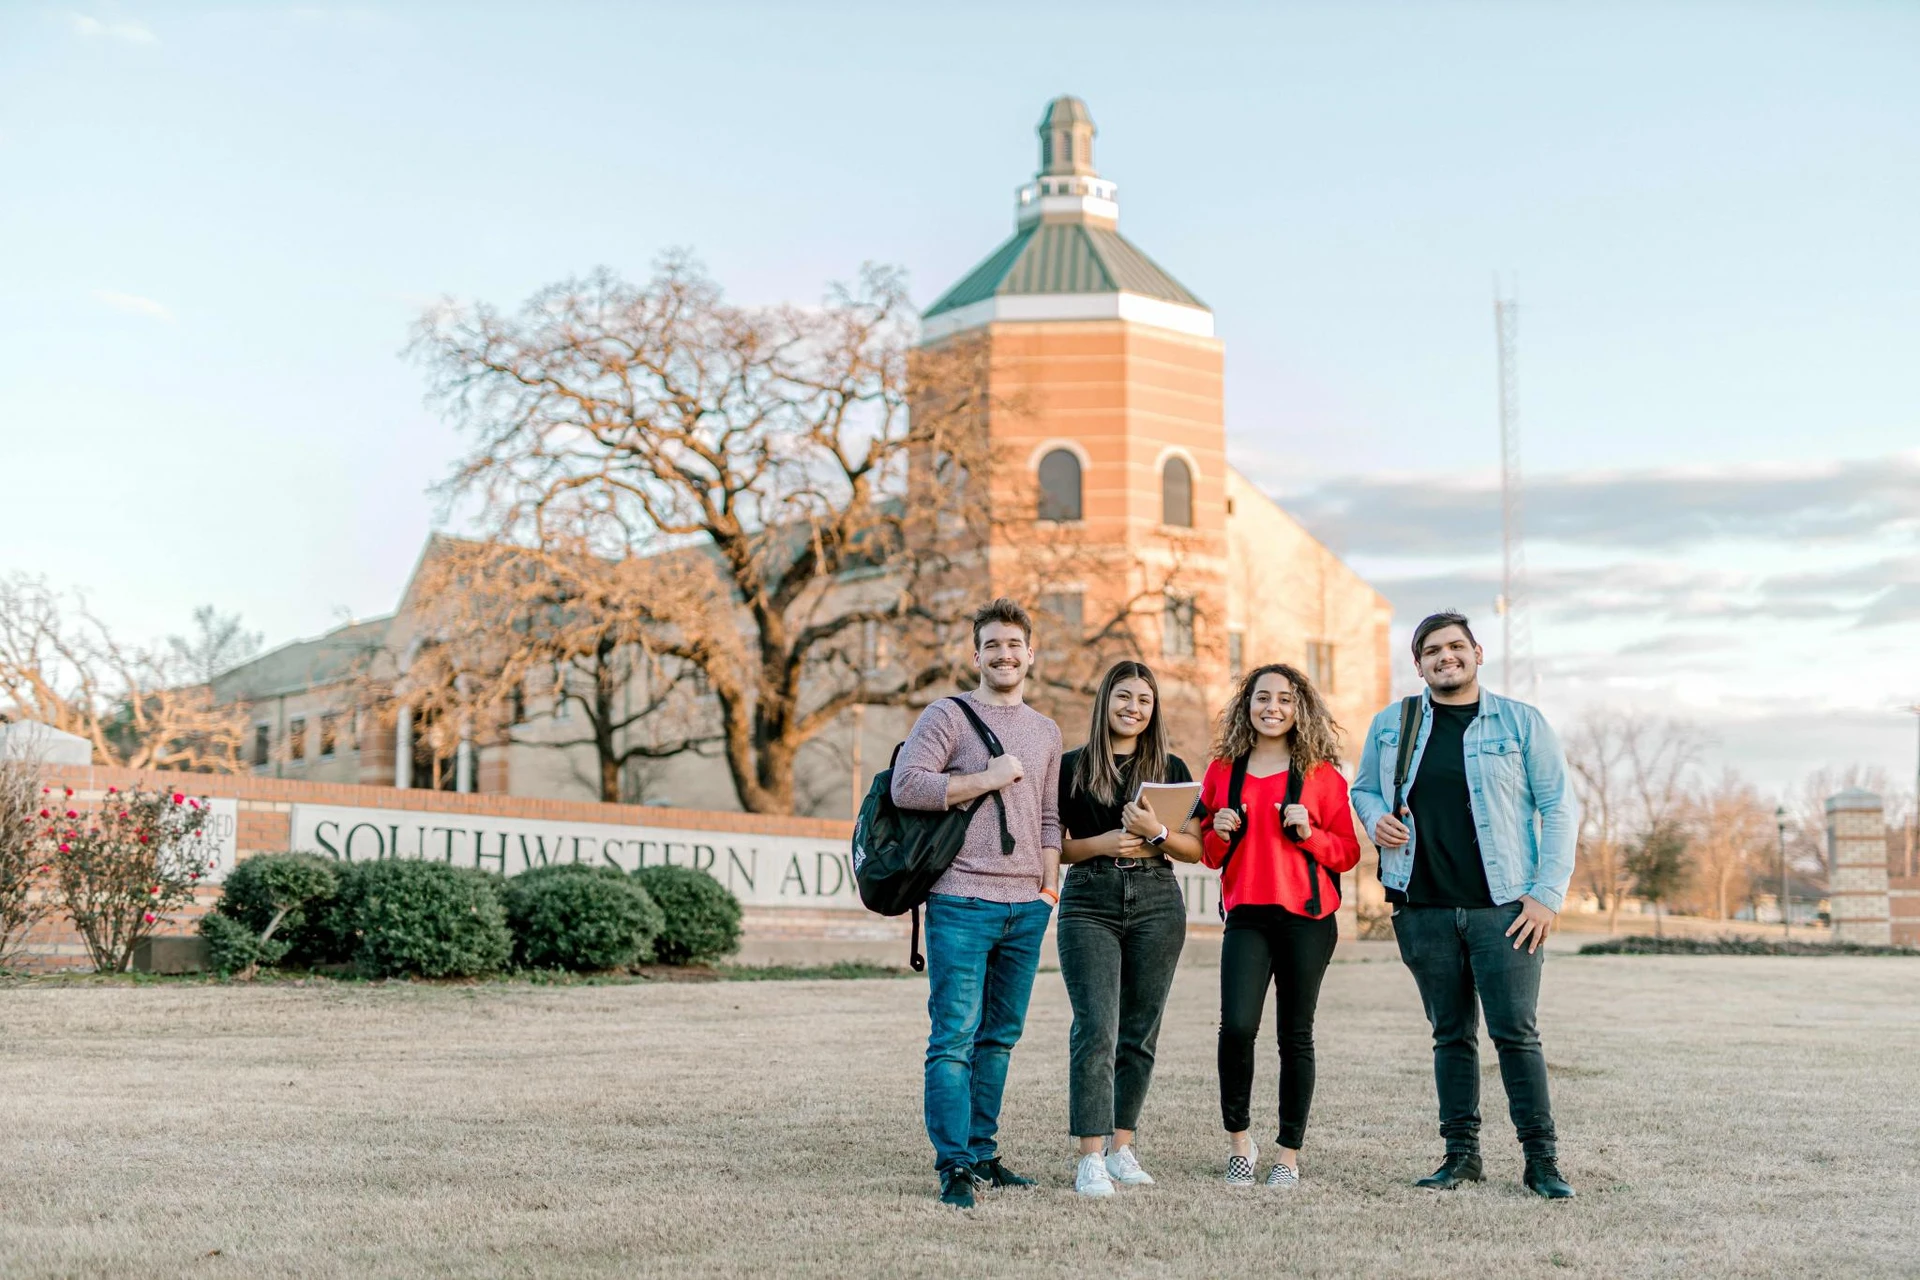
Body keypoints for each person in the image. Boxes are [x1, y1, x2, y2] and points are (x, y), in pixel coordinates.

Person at [1351, 610, 1580, 1199]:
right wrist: (1377, 820)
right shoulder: (1392, 723)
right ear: (1419, 663)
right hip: (1421, 905)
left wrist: (1546, 895)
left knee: (1516, 1035)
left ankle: (1542, 1162)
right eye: (1432, 650)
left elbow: (1558, 807)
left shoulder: (1520, 722)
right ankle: (1461, 1157)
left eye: (1456, 646)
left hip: (1504, 909)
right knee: (1450, 1035)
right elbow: (1365, 787)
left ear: (1478, 653)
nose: (1444, 657)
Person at [891, 597, 1064, 1209]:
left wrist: (1048, 892)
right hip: (960, 899)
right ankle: (954, 1165)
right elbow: (906, 786)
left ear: (1030, 655)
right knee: (953, 1037)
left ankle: (983, 1151)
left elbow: (1049, 818)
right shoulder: (948, 715)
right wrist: (987, 778)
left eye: (1014, 645)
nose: (1004, 654)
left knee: (1000, 1037)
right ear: (977, 655)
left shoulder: (1046, 731)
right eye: (992, 645)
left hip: (1026, 907)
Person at [1198, 663, 1360, 1188]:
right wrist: (1219, 832)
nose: (1273, 707)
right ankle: (1240, 1143)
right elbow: (1208, 853)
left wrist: (1309, 834)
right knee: (1238, 1027)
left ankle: (1288, 1154)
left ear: (1300, 708)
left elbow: (1349, 853)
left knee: (1296, 1035)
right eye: (1262, 697)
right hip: (1247, 914)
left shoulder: (1323, 777)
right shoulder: (1223, 770)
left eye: (1285, 699)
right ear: (1247, 705)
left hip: (1308, 920)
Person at [1055, 660, 1204, 1198]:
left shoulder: (1170, 766)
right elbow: (1054, 848)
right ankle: (1090, 1158)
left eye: (1144, 700)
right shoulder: (1071, 766)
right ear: (1105, 701)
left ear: (1153, 708)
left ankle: (1122, 1149)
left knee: (1139, 1032)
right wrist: (1101, 844)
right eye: (1124, 697)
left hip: (1157, 900)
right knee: (1096, 1028)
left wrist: (1156, 831)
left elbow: (1197, 849)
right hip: (1089, 900)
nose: (1133, 708)